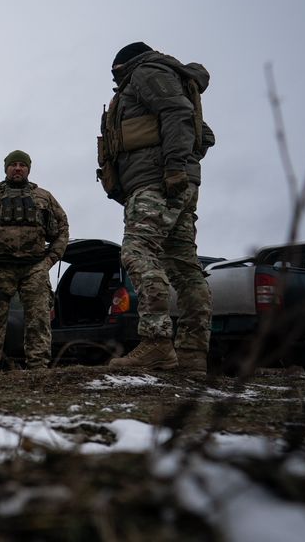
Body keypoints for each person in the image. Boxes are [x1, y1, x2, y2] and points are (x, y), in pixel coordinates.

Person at [100, 42, 216, 373]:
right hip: (173, 181)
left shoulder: (146, 73)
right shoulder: (166, 76)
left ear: (121, 67)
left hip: (159, 182)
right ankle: (193, 354)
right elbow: (203, 135)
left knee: (136, 252)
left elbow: (179, 114)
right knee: (182, 265)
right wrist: (184, 164)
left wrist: (174, 165)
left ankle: (156, 343)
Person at [0, 150, 69, 377]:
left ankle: (38, 368)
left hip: (34, 268)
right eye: (14, 165)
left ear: (29, 169)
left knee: (39, 318)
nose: (18, 168)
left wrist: (50, 259)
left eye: (22, 165)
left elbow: (62, 228)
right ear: (6, 169)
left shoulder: (44, 197)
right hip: (0, 267)